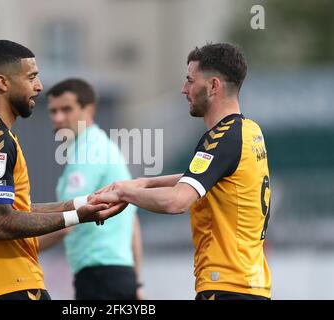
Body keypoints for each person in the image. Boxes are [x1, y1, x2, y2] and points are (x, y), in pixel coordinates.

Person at [90, 43, 272, 300]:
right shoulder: (249, 131)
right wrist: (142, 184)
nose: (184, 89)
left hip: (227, 286)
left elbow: (177, 201)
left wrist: (123, 192)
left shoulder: (221, 138)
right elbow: (210, 179)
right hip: (250, 285)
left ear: (213, 86)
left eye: (190, 80)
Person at [0, 40, 120, 300]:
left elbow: (15, 209)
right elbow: (1, 222)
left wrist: (83, 202)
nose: (39, 87)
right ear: (2, 83)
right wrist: (78, 217)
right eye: (31, 78)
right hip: (10, 286)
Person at [38, 79, 143, 300]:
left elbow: (68, 220)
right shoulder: (104, 147)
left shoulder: (87, 152)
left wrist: (23, 248)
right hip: (120, 275)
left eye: (66, 109)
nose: (58, 118)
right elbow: (132, 219)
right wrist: (137, 281)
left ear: (89, 109)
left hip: (99, 275)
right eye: (53, 111)